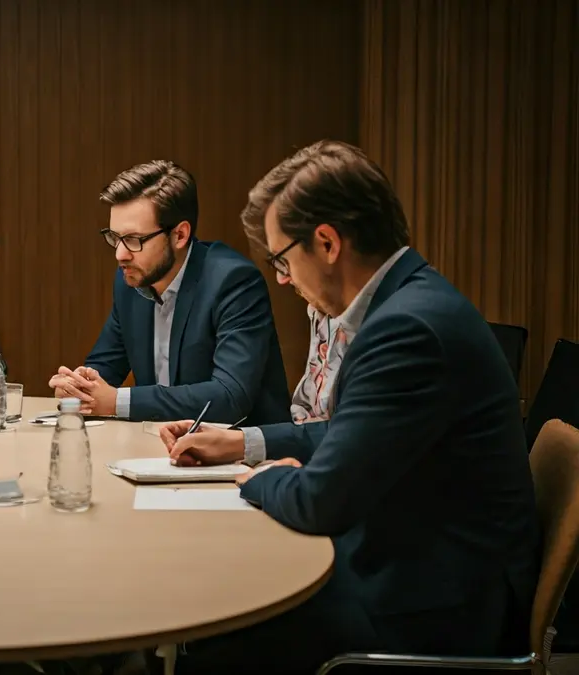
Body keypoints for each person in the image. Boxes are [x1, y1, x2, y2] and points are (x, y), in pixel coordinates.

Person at [157, 141, 539, 674]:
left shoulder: (404, 330)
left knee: (217, 636)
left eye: (283, 260)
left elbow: (322, 504)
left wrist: (256, 478)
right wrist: (243, 444)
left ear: (328, 242)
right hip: (425, 562)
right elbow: (353, 434)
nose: (284, 279)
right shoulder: (412, 302)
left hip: (436, 605)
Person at [49, 160, 289, 425]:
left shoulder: (233, 282)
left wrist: (116, 401)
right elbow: (105, 367)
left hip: (243, 455)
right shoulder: (132, 279)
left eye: (133, 239)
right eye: (115, 237)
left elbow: (229, 397)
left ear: (180, 235)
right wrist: (79, 387)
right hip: (159, 449)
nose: (120, 254)